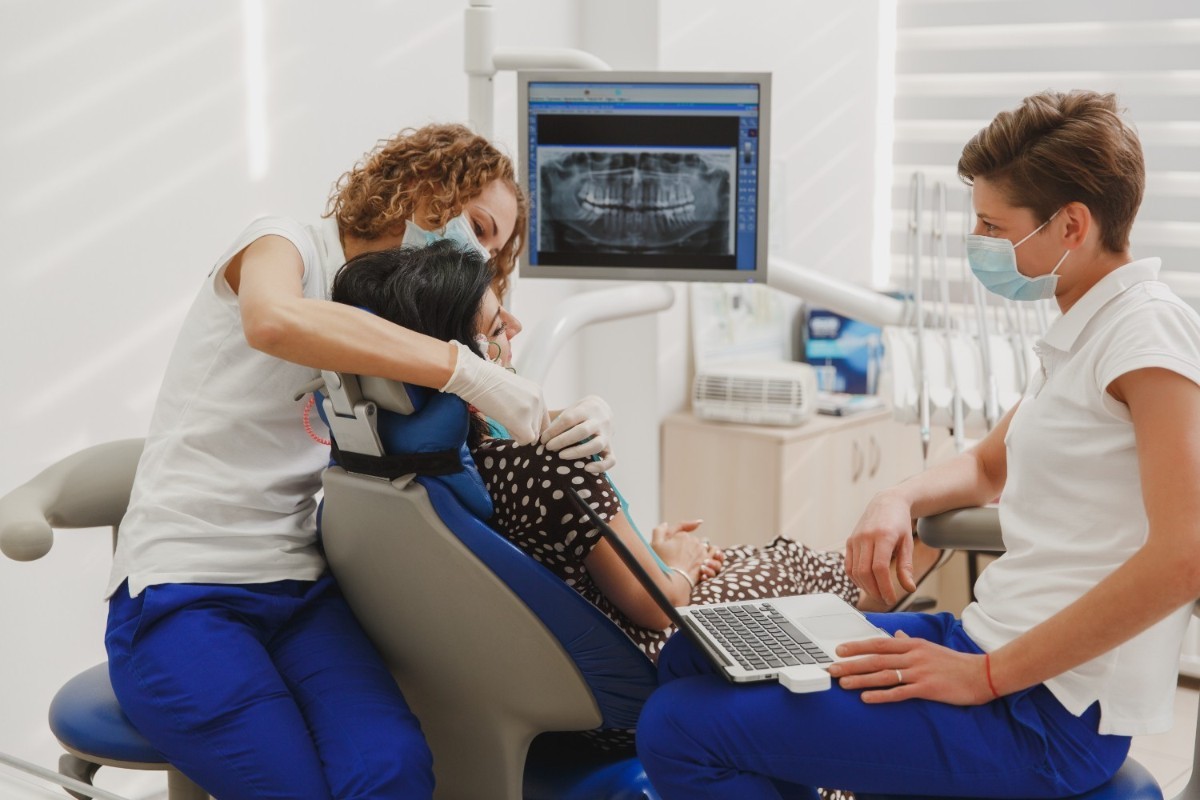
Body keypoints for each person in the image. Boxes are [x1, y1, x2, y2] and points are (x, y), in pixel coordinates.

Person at [633, 89, 1200, 799]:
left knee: (677, 728)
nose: (980, 244)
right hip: (985, 644)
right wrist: (895, 496)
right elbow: (991, 464)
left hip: (1045, 712)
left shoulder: (1147, 336)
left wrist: (983, 677)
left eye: (994, 226)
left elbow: (1185, 557)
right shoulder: (1083, 333)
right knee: (694, 654)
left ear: (1071, 226)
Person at [103, 123, 615, 800]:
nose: (480, 255)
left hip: (298, 590)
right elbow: (274, 320)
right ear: (426, 185)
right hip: (181, 592)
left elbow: (469, 442)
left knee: (393, 769)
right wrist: (464, 367)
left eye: (493, 251)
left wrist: (570, 423)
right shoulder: (281, 242)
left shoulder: (388, 312)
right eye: (480, 227)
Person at [325, 239, 945, 771]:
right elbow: (659, 608)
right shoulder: (550, 462)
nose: (514, 329)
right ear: (460, 361)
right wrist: (675, 560)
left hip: (535, 677)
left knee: (767, 559)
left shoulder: (401, 471)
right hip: (647, 667)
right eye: (493, 329)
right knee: (798, 565)